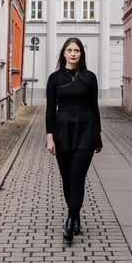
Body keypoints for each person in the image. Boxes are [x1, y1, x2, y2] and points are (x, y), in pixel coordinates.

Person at [46, 37, 102, 242]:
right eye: (69, 50)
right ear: (63, 53)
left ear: (81, 54)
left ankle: (70, 221)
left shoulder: (89, 77)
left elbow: (94, 107)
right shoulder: (54, 78)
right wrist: (49, 137)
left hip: (86, 130)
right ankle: (76, 215)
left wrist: (98, 136)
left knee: (77, 178)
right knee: (67, 179)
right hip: (62, 132)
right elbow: (50, 110)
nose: (73, 54)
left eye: (76, 50)